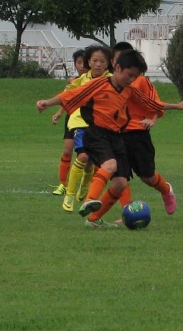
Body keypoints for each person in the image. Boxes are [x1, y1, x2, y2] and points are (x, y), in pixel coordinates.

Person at [35, 49, 164, 221]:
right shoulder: (99, 83)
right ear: (117, 68)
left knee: (120, 183)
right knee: (110, 165)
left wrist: (176, 106)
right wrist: (47, 102)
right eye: (130, 75)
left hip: (116, 137)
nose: (132, 80)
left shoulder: (128, 90)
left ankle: (93, 220)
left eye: (135, 77)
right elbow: (71, 94)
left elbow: (150, 103)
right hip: (96, 134)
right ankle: (89, 200)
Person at [82, 48, 183, 226]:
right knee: (120, 178)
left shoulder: (140, 81)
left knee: (147, 177)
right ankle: (110, 214)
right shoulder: (109, 82)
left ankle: (166, 190)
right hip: (116, 135)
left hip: (138, 133)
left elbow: (153, 103)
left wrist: (155, 118)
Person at [58, 45, 110, 211]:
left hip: (101, 126)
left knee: (91, 162)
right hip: (81, 124)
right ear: (89, 62)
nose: (98, 64)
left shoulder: (111, 80)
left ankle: (85, 184)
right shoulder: (80, 80)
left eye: (102, 61)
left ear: (108, 63)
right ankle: (69, 194)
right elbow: (66, 96)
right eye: (95, 61)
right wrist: (49, 103)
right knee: (83, 156)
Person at [51, 49, 88, 195]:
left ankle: (87, 184)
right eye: (79, 63)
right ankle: (62, 184)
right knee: (67, 150)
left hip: (88, 121)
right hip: (72, 119)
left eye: (84, 63)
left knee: (86, 155)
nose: (82, 66)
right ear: (75, 64)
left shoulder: (94, 81)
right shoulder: (72, 82)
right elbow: (66, 98)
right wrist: (59, 113)